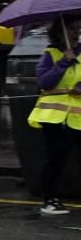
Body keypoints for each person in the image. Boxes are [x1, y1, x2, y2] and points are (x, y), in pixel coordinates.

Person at [30, 15, 81, 215]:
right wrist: (63, 63)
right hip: (54, 116)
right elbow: (44, 82)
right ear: (60, 33)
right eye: (71, 29)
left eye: (78, 28)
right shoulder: (50, 54)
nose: (76, 32)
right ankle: (49, 199)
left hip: (77, 115)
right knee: (55, 158)